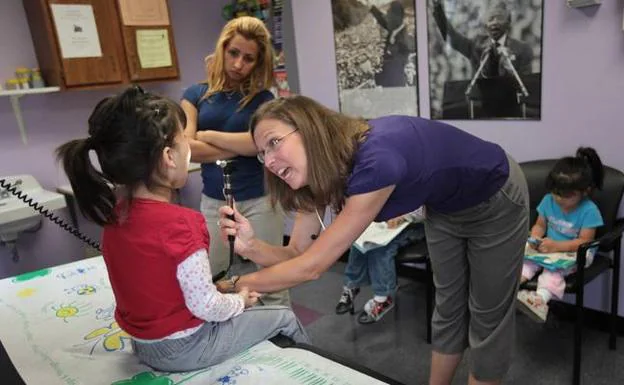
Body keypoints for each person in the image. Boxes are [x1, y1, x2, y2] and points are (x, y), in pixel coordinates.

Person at [217, 95, 529, 385]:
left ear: (309, 130)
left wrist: (228, 287)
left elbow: (312, 267)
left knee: (487, 316)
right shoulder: (320, 171)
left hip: (495, 195)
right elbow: (298, 252)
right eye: (262, 153)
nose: (270, 161)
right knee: (448, 306)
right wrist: (251, 247)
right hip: (445, 207)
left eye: (274, 143)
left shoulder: (375, 159)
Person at [55, 86, 308, 373]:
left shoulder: (117, 217)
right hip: (185, 347)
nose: (189, 147)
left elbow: (159, 282)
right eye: (183, 140)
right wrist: (238, 301)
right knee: (283, 316)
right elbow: (206, 307)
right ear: (169, 157)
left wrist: (220, 289)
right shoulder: (182, 224)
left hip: (144, 343)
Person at [180, 16, 289, 306]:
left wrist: (208, 134)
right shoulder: (195, 94)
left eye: (248, 58)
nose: (239, 63)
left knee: (274, 278)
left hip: (259, 201)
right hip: (214, 202)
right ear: (222, 49)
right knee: (209, 277)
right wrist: (243, 145)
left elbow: (261, 143)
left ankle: (286, 337)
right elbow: (187, 148)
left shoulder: (263, 99)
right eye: (233, 53)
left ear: (258, 62)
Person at [517, 147, 604, 322]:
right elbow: (540, 224)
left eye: (567, 195)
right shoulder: (548, 200)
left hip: (576, 251)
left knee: (552, 272)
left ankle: (540, 300)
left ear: (585, 191)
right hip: (549, 247)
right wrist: (535, 237)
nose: (559, 199)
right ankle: (513, 287)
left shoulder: (589, 210)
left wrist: (556, 246)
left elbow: (585, 241)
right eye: (556, 192)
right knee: (525, 260)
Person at [336, 210, 425, 324]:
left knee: (382, 248)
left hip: (414, 224)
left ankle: (383, 297)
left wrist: (403, 216)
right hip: (388, 219)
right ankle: (352, 285)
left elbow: (428, 207)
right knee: (359, 238)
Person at [432, 0, 533, 78]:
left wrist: (511, 71)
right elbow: (453, 38)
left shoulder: (522, 49)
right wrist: (437, 8)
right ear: (485, 24)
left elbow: (527, 84)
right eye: (491, 19)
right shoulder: (476, 45)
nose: (494, 23)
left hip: (511, 102)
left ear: (508, 22)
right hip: (481, 102)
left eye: (499, 18)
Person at [369, 1, 415, 87]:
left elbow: (409, 48)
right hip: (389, 78)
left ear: (396, 16)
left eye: (390, 12)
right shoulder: (395, 28)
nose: (388, 15)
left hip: (394, 80)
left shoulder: (403, 37)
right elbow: (383, 20)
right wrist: (372, 8)